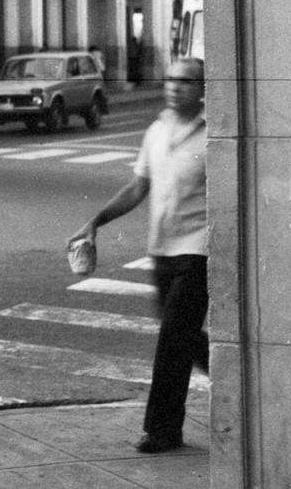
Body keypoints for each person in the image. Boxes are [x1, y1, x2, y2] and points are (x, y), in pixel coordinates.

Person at [69, 57, 208, 455]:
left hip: (199, 252)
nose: (174, 87)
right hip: (162, 251)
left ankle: (162, 430)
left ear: (202, 88)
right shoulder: (156, 131)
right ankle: (240, 367)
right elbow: (138, 187)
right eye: (170, 79)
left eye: (185, 81)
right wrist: (96, 220)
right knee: (183, 339)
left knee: (172, 342)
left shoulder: (215, 135)